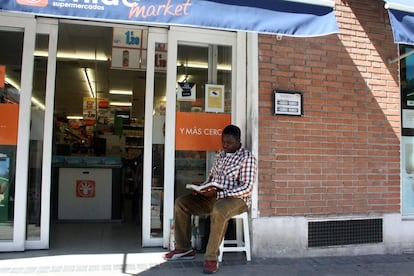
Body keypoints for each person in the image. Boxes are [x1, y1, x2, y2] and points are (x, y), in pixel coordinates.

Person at [163, 124, 257, 274]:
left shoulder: (247, 158)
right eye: (223, 142)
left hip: (237, 200)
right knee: (182, 203)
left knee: (219, 209)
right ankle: (184, 248)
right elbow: (211, 178)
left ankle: (211, 258)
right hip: (214, 196)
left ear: (239, 142)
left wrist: (219, 194)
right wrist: (201, 189)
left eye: (229, 143)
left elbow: (247, 188)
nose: (225, 146)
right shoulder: (220, 154)